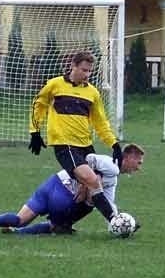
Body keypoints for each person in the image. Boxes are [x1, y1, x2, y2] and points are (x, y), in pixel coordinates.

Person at [28, 50, 123, 226]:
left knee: (89, 192)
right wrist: (35, 131)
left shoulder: (92, 93)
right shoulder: (55, 85)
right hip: (65, 145)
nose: (87, 75)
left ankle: (60, 224)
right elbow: (38, 105)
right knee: (93, 181)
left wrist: (114, 144)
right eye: (84, 70)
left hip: (85, 146)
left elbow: (100, 123)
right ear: (73, 66)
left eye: (89, 71)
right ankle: (115, 220)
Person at [0, 144, 145, 236]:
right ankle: (57, 227)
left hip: (52, 183)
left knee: (19, 219)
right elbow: (89, 158)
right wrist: (86, 183)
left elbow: (109, 205)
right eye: (138, 163)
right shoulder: (111, 166)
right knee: (77, 212)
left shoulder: (112, 179)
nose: (139, 168)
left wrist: (119, 223)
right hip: (64, 194)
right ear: (128, 157)